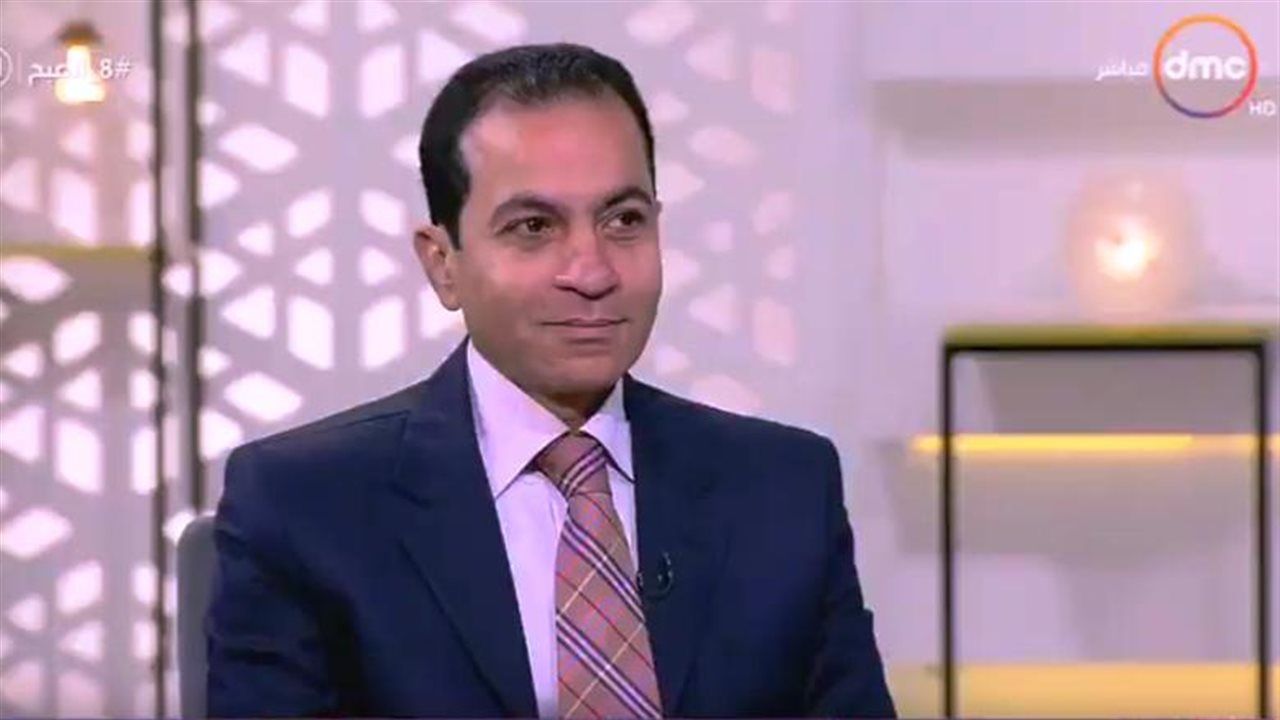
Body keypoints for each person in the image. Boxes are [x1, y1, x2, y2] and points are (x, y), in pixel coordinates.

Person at [207, 42, 895, 719]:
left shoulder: (784, 489)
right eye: (534, 227)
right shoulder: (304, 507)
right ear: (443, 263)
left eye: (623, 221)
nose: (592, 273)